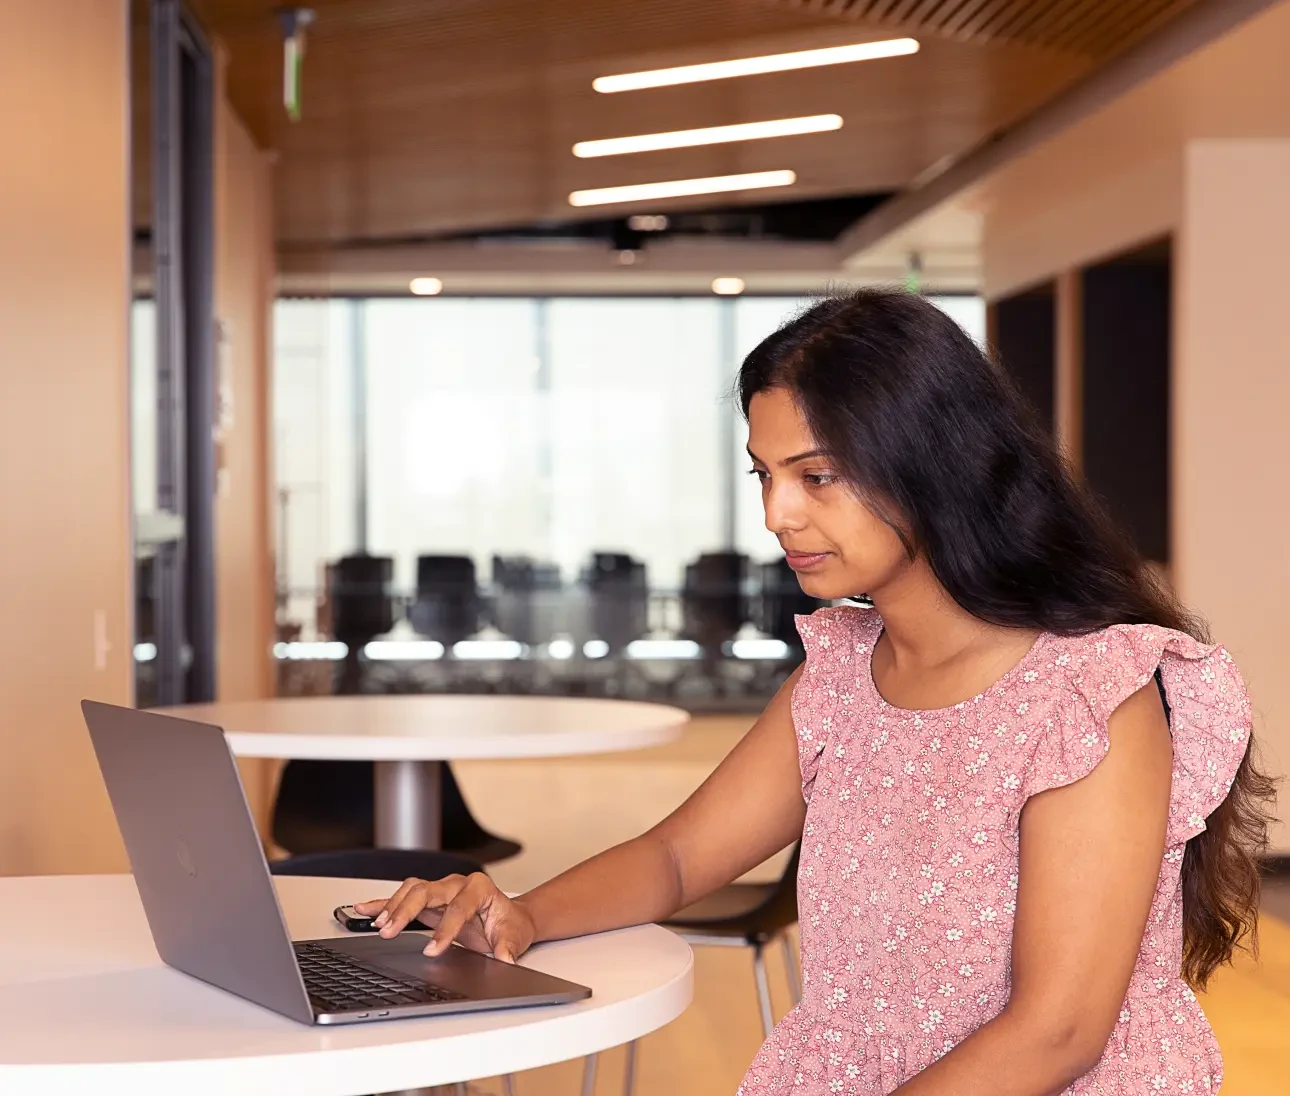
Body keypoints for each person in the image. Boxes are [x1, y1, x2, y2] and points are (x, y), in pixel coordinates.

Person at [357, 289, 1276, 1094]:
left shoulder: (1088, 690)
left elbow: (1059, 1034)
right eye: (766, 475)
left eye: (817, 476)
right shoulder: (843, 672)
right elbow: (680, 858)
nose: (776, 515)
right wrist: (524, 912)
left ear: (933, 463)